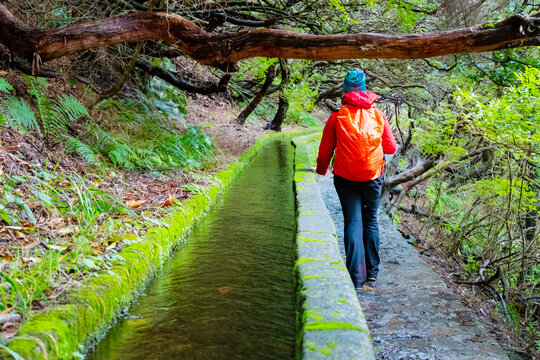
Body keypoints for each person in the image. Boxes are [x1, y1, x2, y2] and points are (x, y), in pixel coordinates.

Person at [315, 69, 397, 288]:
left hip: (345, 177)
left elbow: (325, 153)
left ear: (345, 90)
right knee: (370, 221)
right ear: (364, 89)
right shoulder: (378, 115)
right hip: (373, 176)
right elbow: (391, 147)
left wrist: (321, 170)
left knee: (352, 220)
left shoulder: (336, 117)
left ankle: (356, 278)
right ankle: (372, 273)